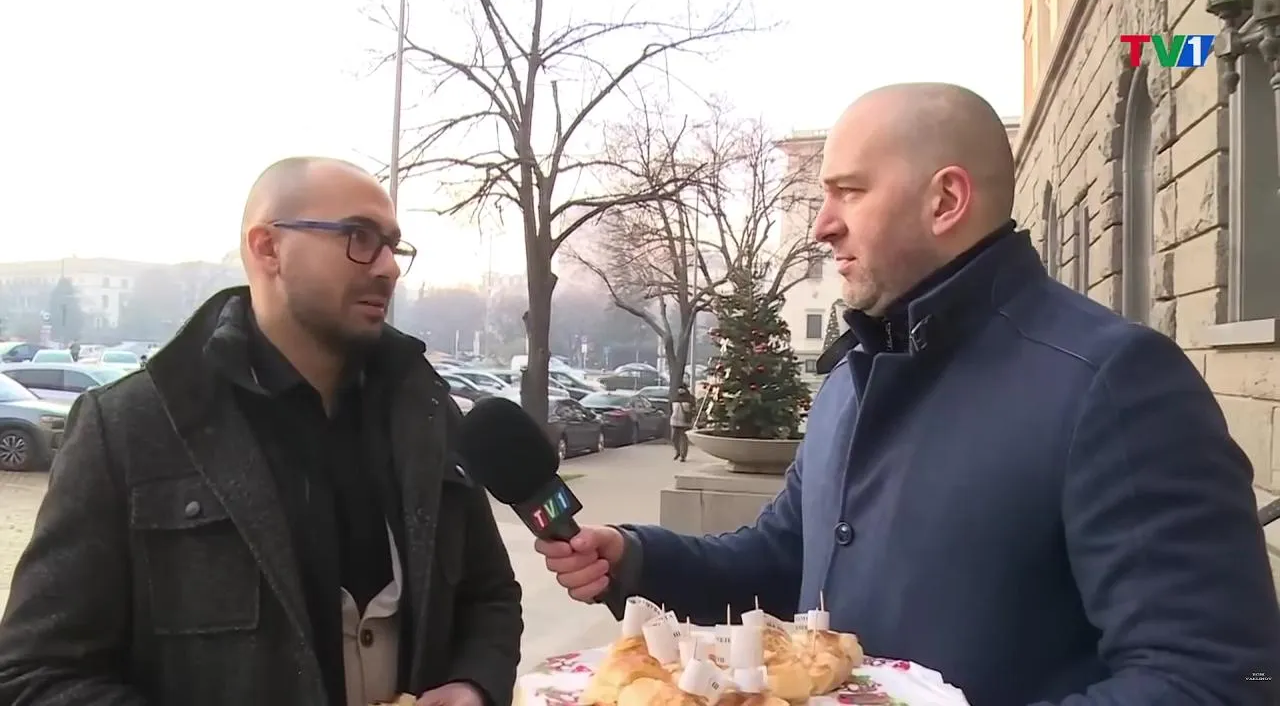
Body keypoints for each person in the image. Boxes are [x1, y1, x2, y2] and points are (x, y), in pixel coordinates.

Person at [536, 84, 1280, 705]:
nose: (822, 226)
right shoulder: (849, 380)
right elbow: (782, 558)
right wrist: (636, 559)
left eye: (849, 192)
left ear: (946, 199)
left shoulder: (1112, 382)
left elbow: (1217, 677)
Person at [0, 157, 523, 706]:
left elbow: (490, 595)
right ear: (268, 247)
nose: (388, 267)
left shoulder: (429, 414)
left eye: (394, 245)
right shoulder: (131, 427)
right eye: (360, 237)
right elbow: (34, 673)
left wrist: (474, 686)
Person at [668, 384, 695, 461]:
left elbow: (693, 410)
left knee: (683, 439)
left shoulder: (690, 398)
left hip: (685, 422)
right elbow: (670, 409)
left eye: (682, 389)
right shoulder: (674, 398)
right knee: (674, 438)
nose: (680, 390)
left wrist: (692, 417)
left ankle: (683, 456)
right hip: (674, 421)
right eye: (679, 388)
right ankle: (678, 451)